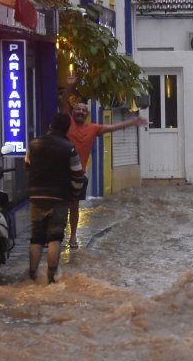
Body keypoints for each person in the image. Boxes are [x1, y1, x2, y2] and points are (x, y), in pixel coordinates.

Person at [63, 82, 145, 249]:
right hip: (60, 173)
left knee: (74, 207)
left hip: (78, 175)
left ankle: (72, 237)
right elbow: (63, 103)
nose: (80, 112)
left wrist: (131, 122)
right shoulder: (67, 124)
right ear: (72, 112)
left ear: (87, 115)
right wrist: (69, 86)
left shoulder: (93, 129)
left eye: (83, 110)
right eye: (77, 109)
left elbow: (113, 127)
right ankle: (54, 235)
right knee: (58, 206)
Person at [25, 113, 84, 284]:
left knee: (36, 237)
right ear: (67, 128)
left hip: (36, 197)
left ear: (51, 125)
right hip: (59, 198)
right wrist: (74, 194)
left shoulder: (34, 144)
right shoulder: (69, 147)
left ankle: (32, 276)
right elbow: (78, 175)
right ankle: (51, 277)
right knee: (55, 237)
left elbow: (27, 164)